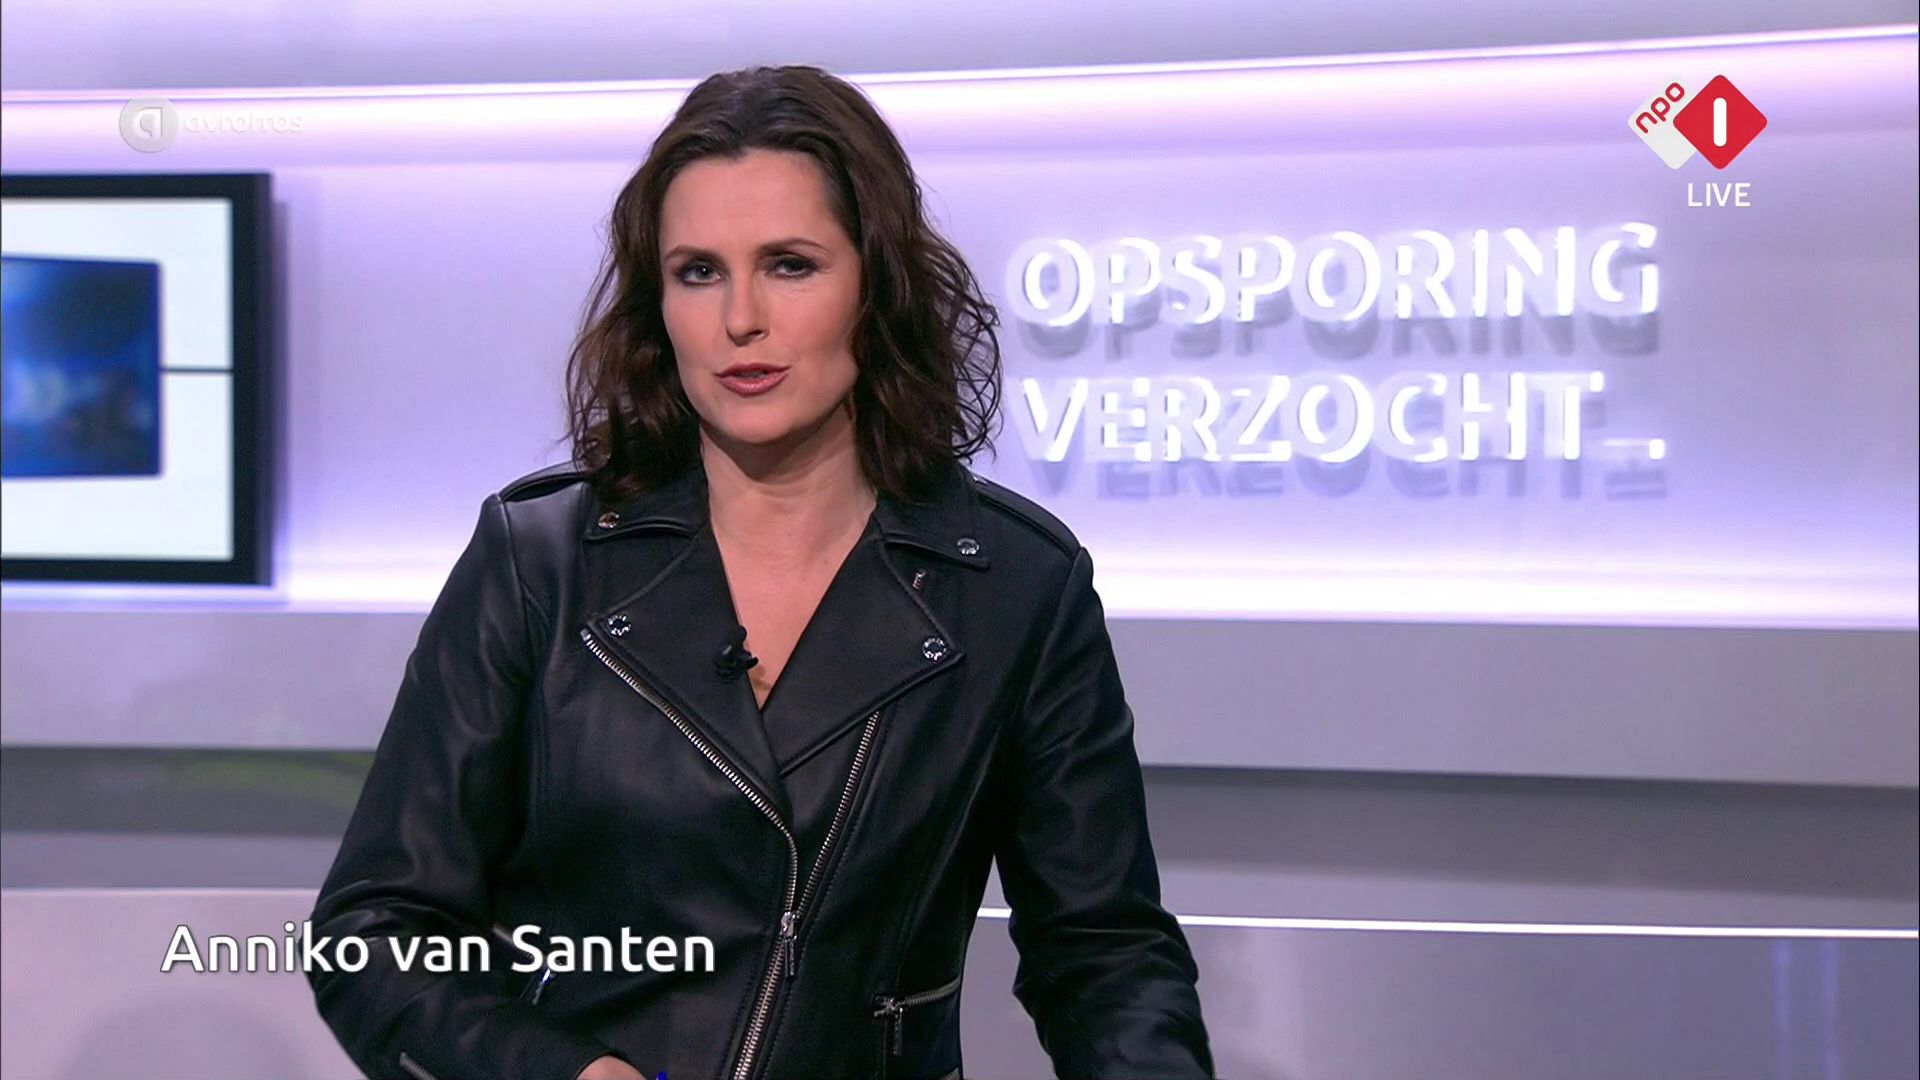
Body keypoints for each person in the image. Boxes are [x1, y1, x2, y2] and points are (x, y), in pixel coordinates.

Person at [305, 64, 1213, 1080]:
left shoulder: (1015, 588)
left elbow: (1104, 957)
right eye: (698, 272)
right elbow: (374, 934)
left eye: (789, 265)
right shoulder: (539, 563)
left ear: (877, 284)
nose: (741, 318)